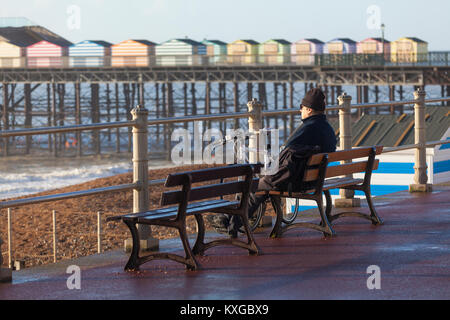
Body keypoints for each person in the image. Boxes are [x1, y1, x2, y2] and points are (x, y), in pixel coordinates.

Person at [209, 88, 337, 237]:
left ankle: (231, 224)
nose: (300, 111)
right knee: (261, 185)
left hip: (297, 183)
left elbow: (285, 157)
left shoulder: (306, 129)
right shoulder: (328, 128)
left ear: (308, 109)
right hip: (314, 181)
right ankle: (231, 221)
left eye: (301, 108)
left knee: (253, 186)